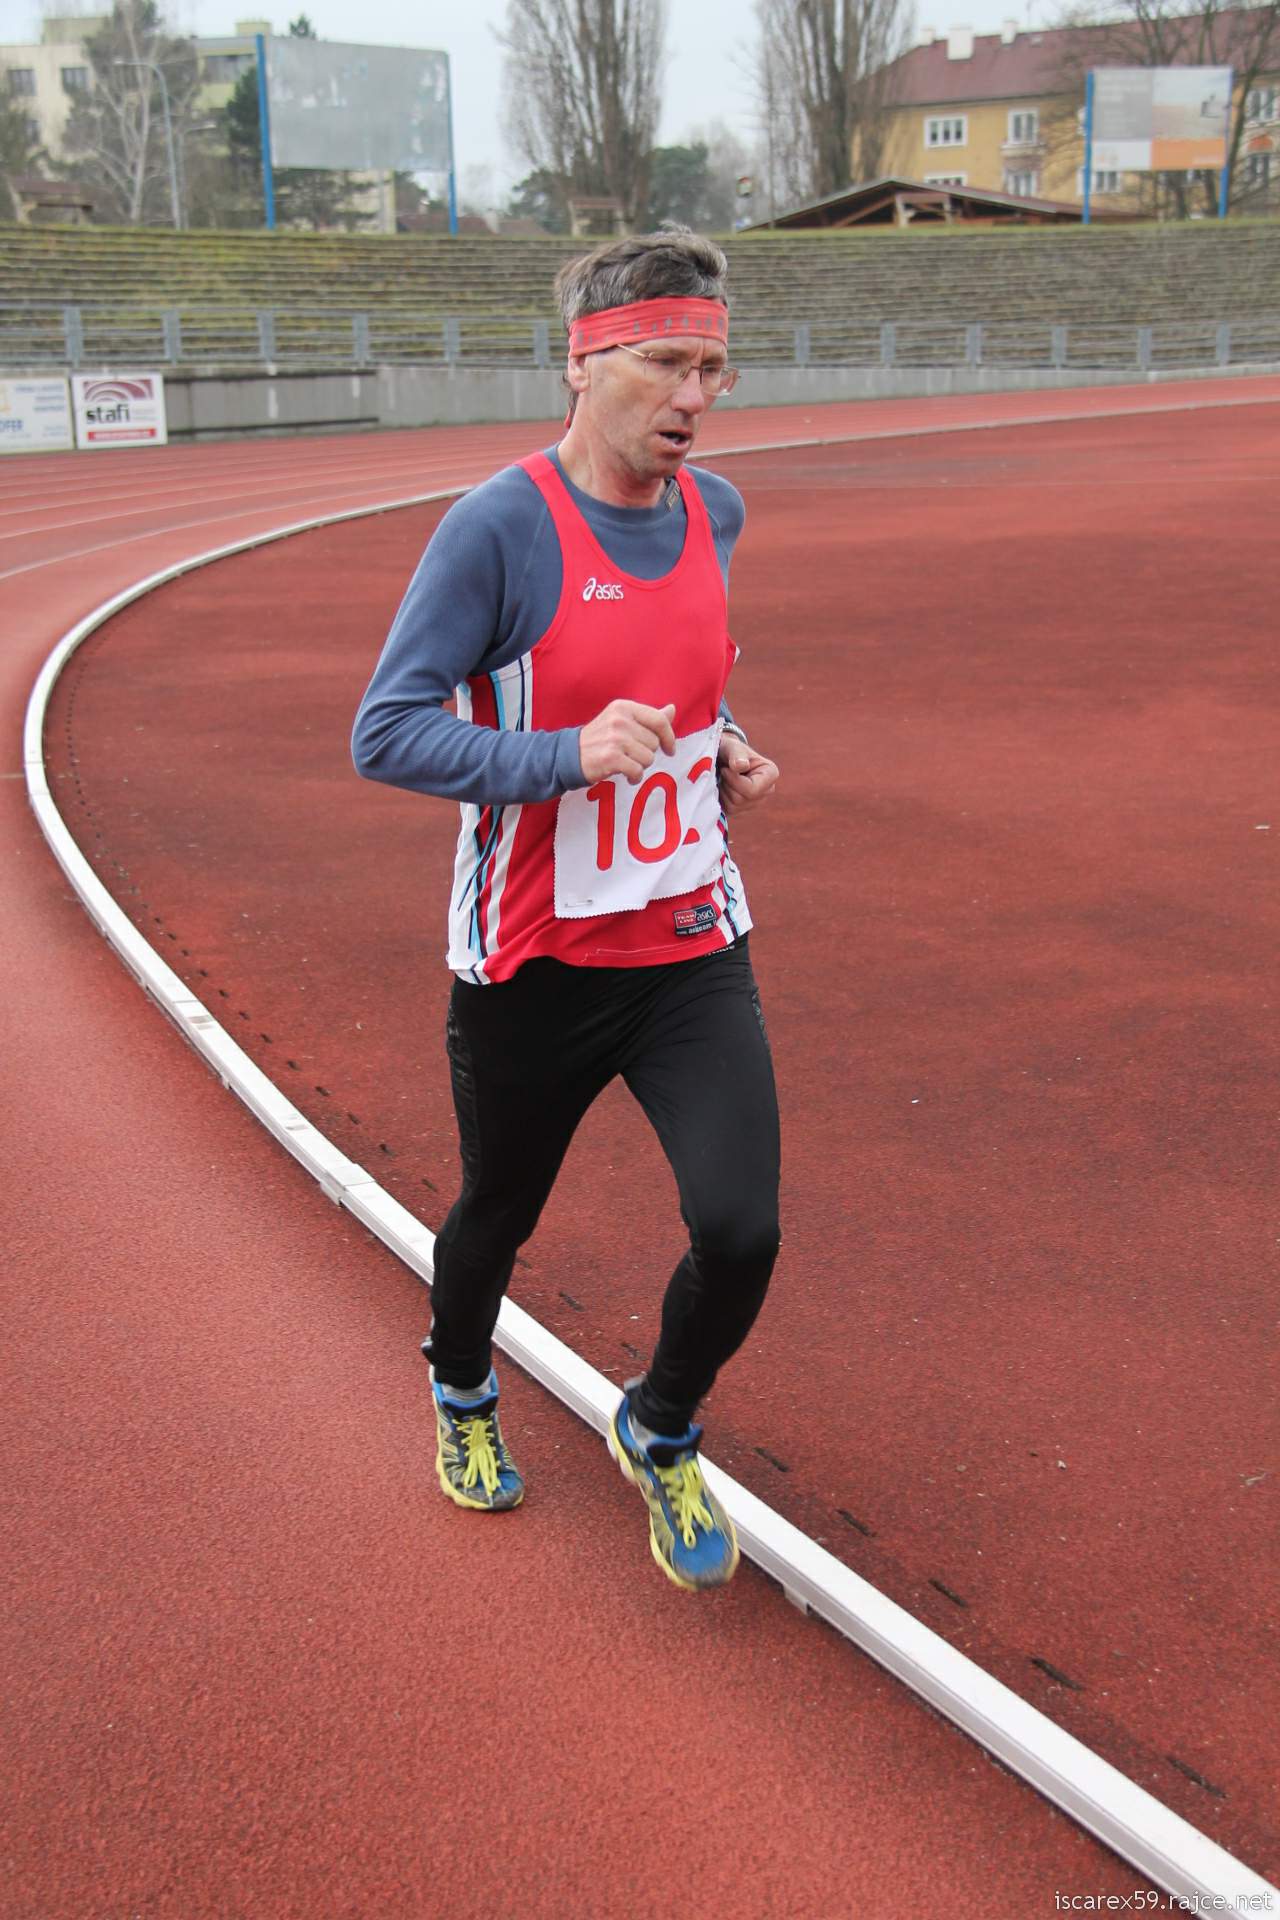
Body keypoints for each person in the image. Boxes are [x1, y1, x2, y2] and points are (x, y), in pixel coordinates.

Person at [352, 230, 781, 1591]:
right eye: (666, 364)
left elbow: (682, 678)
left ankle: (659, 1424)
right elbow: (386, 732)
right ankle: (462, 1388)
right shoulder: (498, 528)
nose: (694, 397)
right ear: (585, 365)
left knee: (742, 1229)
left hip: (689, 938)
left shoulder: (716, 512)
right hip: (535, 954)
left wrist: (722, 743)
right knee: (498, 1210)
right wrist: (564, 756)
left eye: (712, 369)